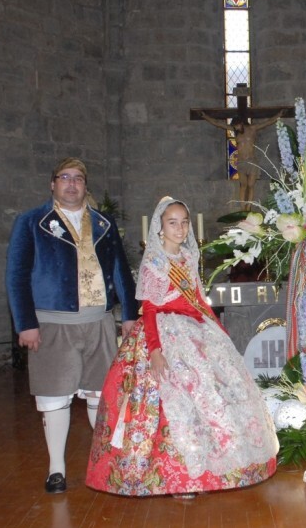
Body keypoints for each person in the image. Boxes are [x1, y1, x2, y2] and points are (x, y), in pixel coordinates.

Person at [85, 197, 278, 497]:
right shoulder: (155, 261)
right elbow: (148, 309)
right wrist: (156, 350)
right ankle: (178, 475)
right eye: (172, 222)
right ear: (160, 227)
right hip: (163, 333)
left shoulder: (188, 258)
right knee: (177, 400)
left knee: (210, 393)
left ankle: (215, 468)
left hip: (196, 329)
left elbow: (199, 301)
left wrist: (218, 331)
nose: (179, 227)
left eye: (184, 222)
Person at [6, 157, 138, 494]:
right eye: (64, 177)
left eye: (78, 178)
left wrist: (128, 316)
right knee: (55, 398)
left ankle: (105, 464)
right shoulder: (32, 222)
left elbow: (121, 272)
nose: (71, 184)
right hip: (52, 324)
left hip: (98, 323)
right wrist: (25, 323)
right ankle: (57, 469)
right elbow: (16, 275)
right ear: (53, 184)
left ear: (85, 185)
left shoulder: (104, 224)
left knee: (100, 396)